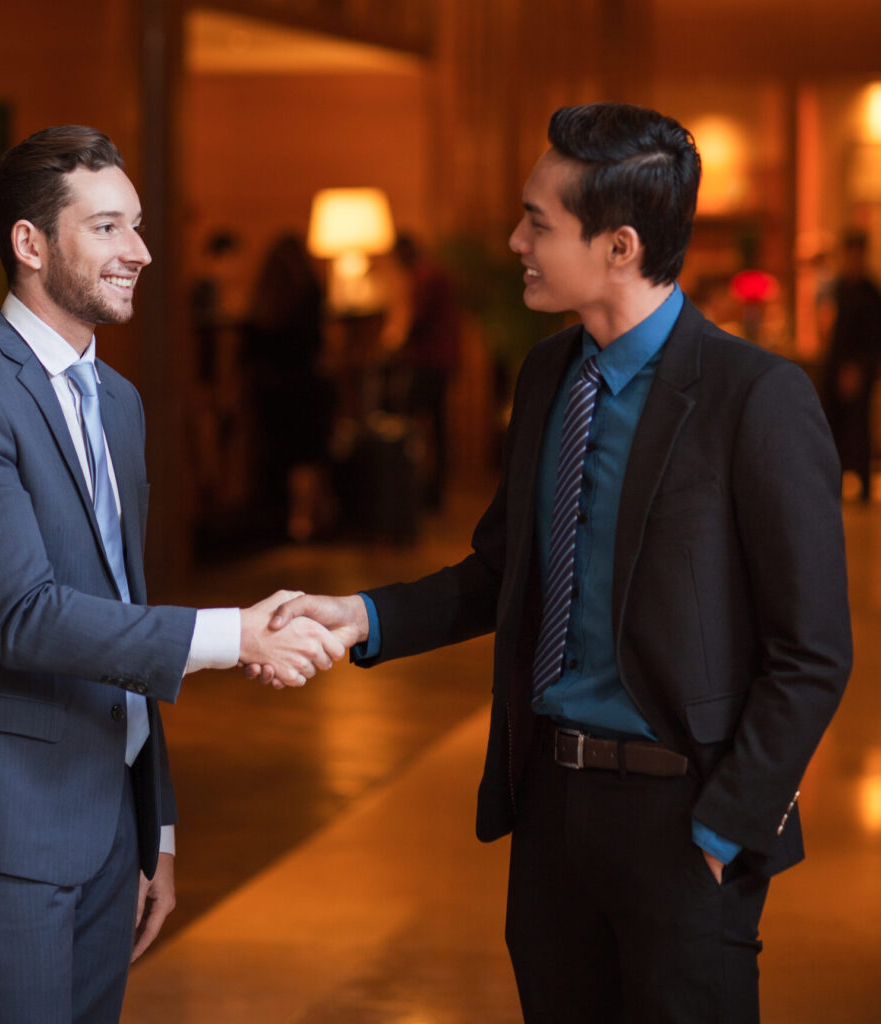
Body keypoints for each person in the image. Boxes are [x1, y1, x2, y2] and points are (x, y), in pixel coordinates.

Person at [255, 103, 852, 1022]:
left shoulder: (755, 398)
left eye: (538, 222)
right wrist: (362, 617)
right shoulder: (547, 379)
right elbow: (504, 572)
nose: (514, 240)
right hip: (552, 812)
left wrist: (730, 822)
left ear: (619, 246)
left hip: (684, 821)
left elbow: (811, 651)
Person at [0, 125, 346, 1024]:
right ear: (29, 243)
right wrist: (233, 634)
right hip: (2, 824)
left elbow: (119, 612)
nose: (138, 251)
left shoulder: (121, 402)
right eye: (106, 228)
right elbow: (23, 616)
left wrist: (157, 828)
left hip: (112, 824)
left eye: (136, 225)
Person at [242, 233, 335, 541]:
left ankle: (288, 520)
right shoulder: (310, 294)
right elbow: (319, 344)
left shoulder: (262, 301)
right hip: (305, 388)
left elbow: (248, 354)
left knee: (280, 458)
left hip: (269, 393)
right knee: (307, 458)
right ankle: (304, 519)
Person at [389, 233, 463, 509]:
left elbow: (418, 320)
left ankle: (420, 491)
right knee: (437, 426)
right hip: (443, 359)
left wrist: (398, 349)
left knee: (416, 425)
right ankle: (433, 491)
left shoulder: (425, 276)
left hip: (430, 361)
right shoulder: (433, 272)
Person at [819, 228, 881, 502]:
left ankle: (864, 486)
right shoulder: (839, 288)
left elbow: (872, 337)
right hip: (834, 366)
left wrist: (857, 368)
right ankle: (834, 481)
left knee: (859, 429)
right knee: (833, 425)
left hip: (860, 369)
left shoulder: (871, 293)